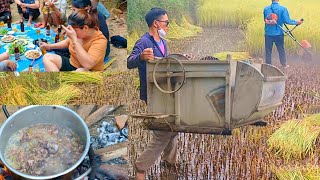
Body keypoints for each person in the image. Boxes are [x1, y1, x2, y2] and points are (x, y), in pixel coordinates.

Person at [127, 8, 178, 180]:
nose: (168, 26)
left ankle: (169, 161)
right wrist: (141, 57)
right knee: (164, 130)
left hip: (166, 91)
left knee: (174, 125)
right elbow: (129, 62)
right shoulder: (143, 42)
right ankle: (141, 168)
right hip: (153, 93)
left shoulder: (163, 42)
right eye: (166, 23)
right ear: (156, 23)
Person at [41, 10, 107, 71]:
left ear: (85, 28)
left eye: (74, 31)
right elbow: (67, 42)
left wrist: (75, 40)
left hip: (89, 71)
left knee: (80, 71)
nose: (72, 33)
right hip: (73, 64)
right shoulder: (79, 33)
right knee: (47, 57)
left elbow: (88, 65)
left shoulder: (100, 41)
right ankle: (58, 81)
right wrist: (49, 46)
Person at [264, 0, 303, 68]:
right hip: (278, 34)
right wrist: (297, 22)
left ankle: (268, 66)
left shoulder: (266, 9)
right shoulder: (283, 9)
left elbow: (266, 20)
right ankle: (284, 64)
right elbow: (287, 20)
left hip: (268, 34)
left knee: (268, 51)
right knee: (281, 49)